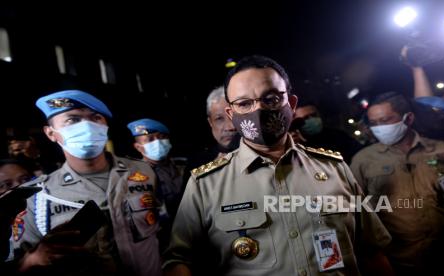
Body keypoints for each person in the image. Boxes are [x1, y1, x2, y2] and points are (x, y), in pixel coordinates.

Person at [163, 55, 392, 276]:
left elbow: (372, 253)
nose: (259, 110)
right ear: (232, 115)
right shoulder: (206, 184)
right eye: (244, 103)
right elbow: (179, 260)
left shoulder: (335, 169)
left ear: (291, 104)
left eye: (271, 99)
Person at [15, 90, 162, 276]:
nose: (88, 126)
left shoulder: (143, 171)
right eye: (72, 120)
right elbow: (17, 262)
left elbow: (162, 229)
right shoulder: (38, 196)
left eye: (96, 118)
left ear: (106, 126)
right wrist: (33, 259)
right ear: (51, 133)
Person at [350, 91, 444, 274]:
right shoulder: (363, 161)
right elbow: (355, 213)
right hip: (397, 262)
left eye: (386, 120)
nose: (379, 127)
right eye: (374, 123)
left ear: (408, 118)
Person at [127, 118, 184, 251]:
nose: (158, 142)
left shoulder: (183, 165)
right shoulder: (132, 176)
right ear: (138, 147)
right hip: (160, 240)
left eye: (162, 137)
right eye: (150, 139)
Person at [185, 86, 239, 172]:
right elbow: (192, 180)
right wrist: (214, 165)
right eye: (219, 119)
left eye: (234, 116)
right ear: (210, 122)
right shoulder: (197, 161)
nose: (230, 127)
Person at [290, 101, 362, 162]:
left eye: (314, 115)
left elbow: (358, 153)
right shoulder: (296, 147)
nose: (311, 119)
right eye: (305, 118)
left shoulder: (337, 135)